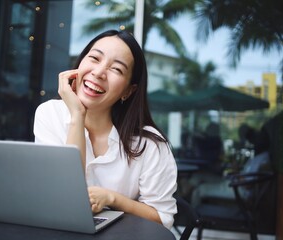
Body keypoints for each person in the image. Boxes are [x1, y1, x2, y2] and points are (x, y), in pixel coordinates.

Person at [33, 29, 177, 229]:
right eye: (94, 58)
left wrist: (113, 198)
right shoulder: (50, 114)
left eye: (117, 69)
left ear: (128, 90)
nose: (99, 72)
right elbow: (64, 199)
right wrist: (77, 116)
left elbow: (163, 219)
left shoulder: (150, 143)